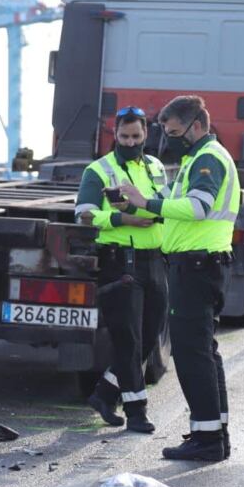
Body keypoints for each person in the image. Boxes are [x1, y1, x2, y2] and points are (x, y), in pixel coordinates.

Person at [119, 95, 239, 462]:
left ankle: (207, 440)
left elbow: (198, 207)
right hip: (200, 265)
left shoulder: (207, 159)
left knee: (191, 354)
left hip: (197, 267)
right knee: (204, 351)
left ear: (197, 126)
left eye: (173, 132)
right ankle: (213, 433)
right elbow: (170, 203)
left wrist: (148, 204)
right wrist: (140, 207)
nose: (168, 139)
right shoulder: (194, 159)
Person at [76, 106, 168, 434]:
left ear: (146, 134)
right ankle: (137, 411)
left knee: (149, 336)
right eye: (124, 136)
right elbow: (84, 214)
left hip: (155, 259)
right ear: (115, 135)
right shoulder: (98, 170)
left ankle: (104, 394)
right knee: (127, 340)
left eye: (136, 136)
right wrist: (123, 218)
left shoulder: (156, 167)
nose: (130, 141)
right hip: (120, 262)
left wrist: (152, 211)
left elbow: (165, 203)